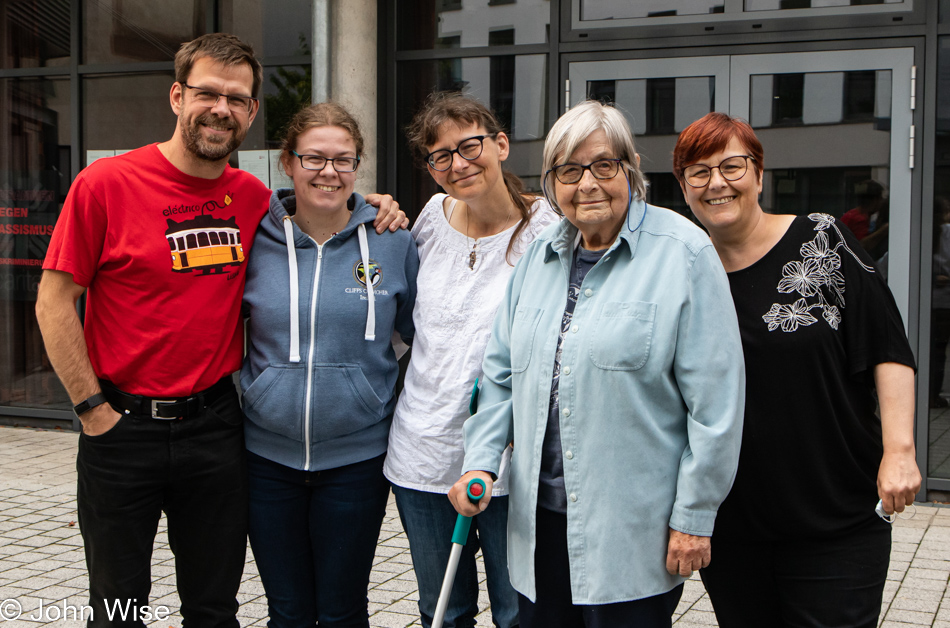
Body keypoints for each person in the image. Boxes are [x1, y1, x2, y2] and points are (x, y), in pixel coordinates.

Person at [35, 33, 404, 627]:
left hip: (215, 430)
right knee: (117, 605)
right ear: (178, 96)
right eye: (209, 92)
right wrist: (90, 409)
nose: (222, 108)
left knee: (212, 606)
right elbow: (54, 302)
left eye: (237, 99)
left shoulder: (252, 199)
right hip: (120, 429)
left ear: (252, 112)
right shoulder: (104, 185)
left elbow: (322, 204)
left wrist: (374, 205)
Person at [448, 100, 745, 628]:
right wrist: (481, 460)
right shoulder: (536, 259)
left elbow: (716, 405)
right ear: (552, 182)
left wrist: (694, 518)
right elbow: (498, 378)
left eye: (603, 166)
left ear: (630, 171)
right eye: (569, 170)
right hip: (538, 529)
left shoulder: (684, 253)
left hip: (632, 533)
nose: (587, 184)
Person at [672, 112, 920, 628]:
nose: (716, 182)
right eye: (699, 172)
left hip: (837, 517)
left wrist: (899, 451)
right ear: (685, 188)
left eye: (732, 166)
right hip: (733, 525)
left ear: (760, 174)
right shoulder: (683, 273)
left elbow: (886, 346)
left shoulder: (821, 241)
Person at [384, 92, 558, 628]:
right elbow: (397, 302)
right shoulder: (432, 218)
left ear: (501, 144)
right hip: (423, 452)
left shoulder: (550, 231)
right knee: (443, 609)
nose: (458, 163)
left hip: (509, 459)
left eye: (470, 145)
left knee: (517, 610)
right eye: (440, 155)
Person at [240, 102, 417, 627]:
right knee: (288, 611)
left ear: (357, 167)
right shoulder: (253, 238)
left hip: (357, 462)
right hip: (265, 461)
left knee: (343, 611)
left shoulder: (393, 240)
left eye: (343, 160)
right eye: (314, 158)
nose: (329, 171)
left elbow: (416, 337)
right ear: (287, 164)